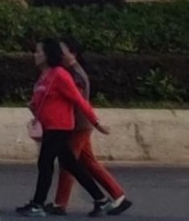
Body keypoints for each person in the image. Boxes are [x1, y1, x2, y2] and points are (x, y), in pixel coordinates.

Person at [14, 38, 110, 216]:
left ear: (47, 54)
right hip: (49, 127)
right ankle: (101, 200)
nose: (35, 55)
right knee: (70, 164)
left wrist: (96, 123)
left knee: (45, 163)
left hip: (60, 127)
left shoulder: (60, 74)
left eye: (38, 51)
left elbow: (79, 101)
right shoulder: (43, 76)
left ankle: (37, 204)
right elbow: (39, 102)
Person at [49, 47, 131, 214]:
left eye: (63, 51)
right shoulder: (74, 72)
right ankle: (118, 195)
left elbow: (77, 102)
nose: (59, 55)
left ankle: (60, 204)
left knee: (68, 164)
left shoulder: (75, 75)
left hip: (78, 126)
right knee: (88, 163)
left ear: (73, 54)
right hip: (82, 125)